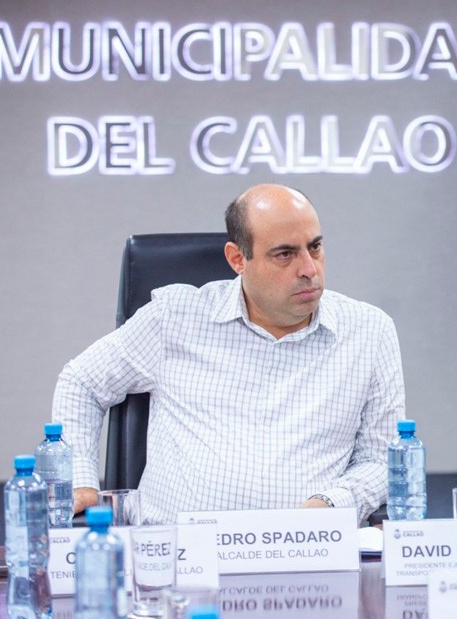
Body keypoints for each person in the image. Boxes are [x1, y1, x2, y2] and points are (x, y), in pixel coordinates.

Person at [53, 183, 405, 524]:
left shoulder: (369, 332)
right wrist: (79, 478)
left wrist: (332, 504)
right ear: (238, 259)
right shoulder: (175, 318)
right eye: (285, 254)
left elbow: (381, 461)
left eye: (314, 248)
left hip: (306, 554)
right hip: (173, 559)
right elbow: (81, 382)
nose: (309, 270)